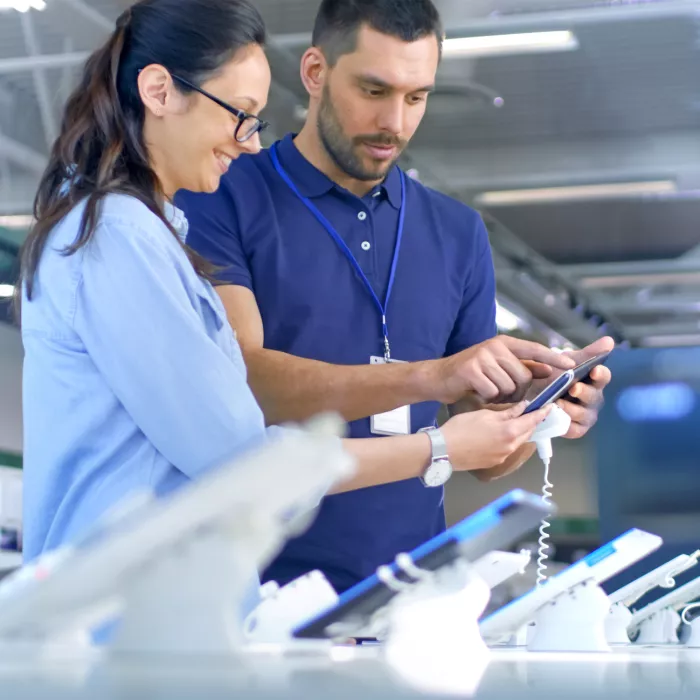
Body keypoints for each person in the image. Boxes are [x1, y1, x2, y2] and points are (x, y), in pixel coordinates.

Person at [17, 0, 560, 601]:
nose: (249, 142)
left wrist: (527, 415)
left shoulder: (148, 236)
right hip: (129, 617)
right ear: (159, 91)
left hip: (179, 611)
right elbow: (242, 457)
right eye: (239, 114)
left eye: (416, 96)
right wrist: (436, 444)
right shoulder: (119, 237)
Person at [176, 0, 613, 594]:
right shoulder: (222, 192)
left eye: (416, 97)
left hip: (403, 599)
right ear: (314, 72)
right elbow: (244, 381)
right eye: (374, 90)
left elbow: (480, 456)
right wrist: (430, 377)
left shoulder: (458, 233)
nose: (395, 122)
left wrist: (537, 415)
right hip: (252, 591)